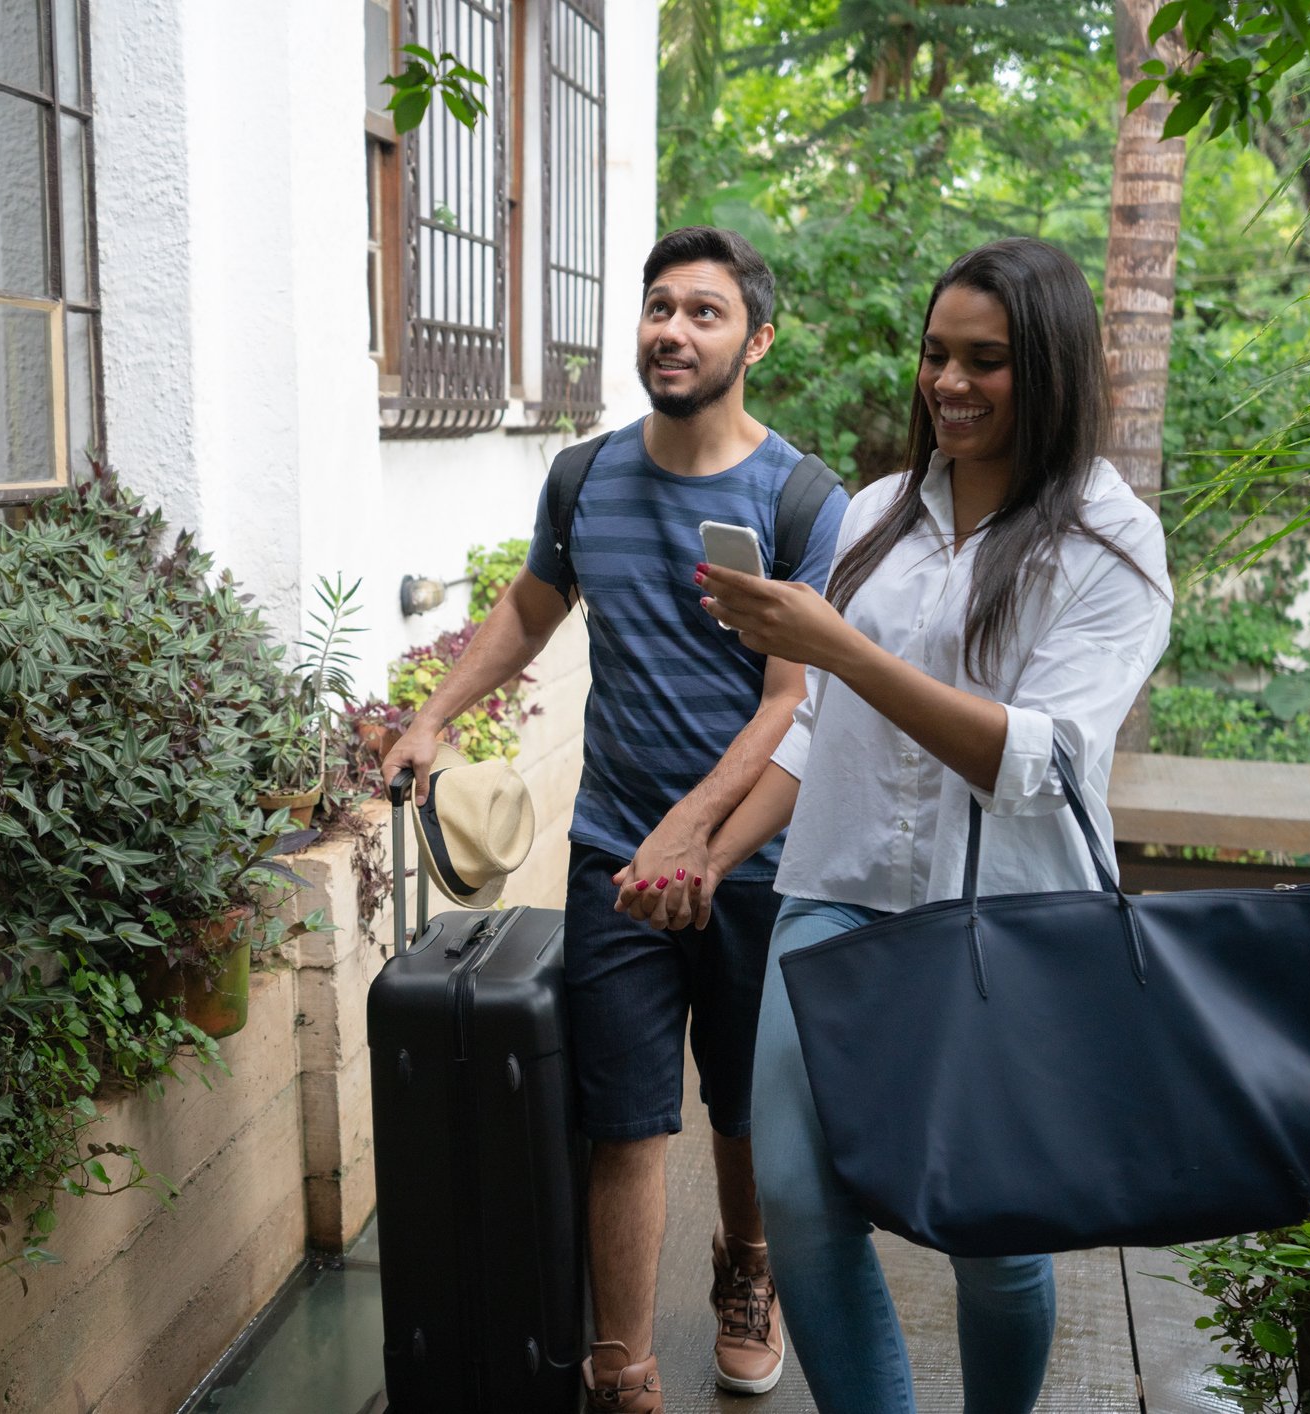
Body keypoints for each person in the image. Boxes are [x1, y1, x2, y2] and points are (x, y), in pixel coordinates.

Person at [678, 237, 1173, 1412]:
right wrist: (709, 846)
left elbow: (1037, 762)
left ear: (1047, 368)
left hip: (1003, 917)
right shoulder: (876, 512)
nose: (947, 383)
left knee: (992, 1232)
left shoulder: (1108, 539)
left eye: (985, 361)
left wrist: (834, 646)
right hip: (833, 888)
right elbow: (823, 731)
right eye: (935, 354)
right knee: (798, 1199)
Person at [382, 226, 848, 1408]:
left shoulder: (801, 499)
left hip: (756, 860)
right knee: (623, 1113)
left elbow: (796, 700)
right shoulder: (582, 476)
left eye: (703, 312)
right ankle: (622, 1370)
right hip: (614, 858)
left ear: (757, 337)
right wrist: (431, 715)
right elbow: (531, 606)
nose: (672, 331)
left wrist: (694, 833)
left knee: (741, 1106)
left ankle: (746, 1268)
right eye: (657, 308)